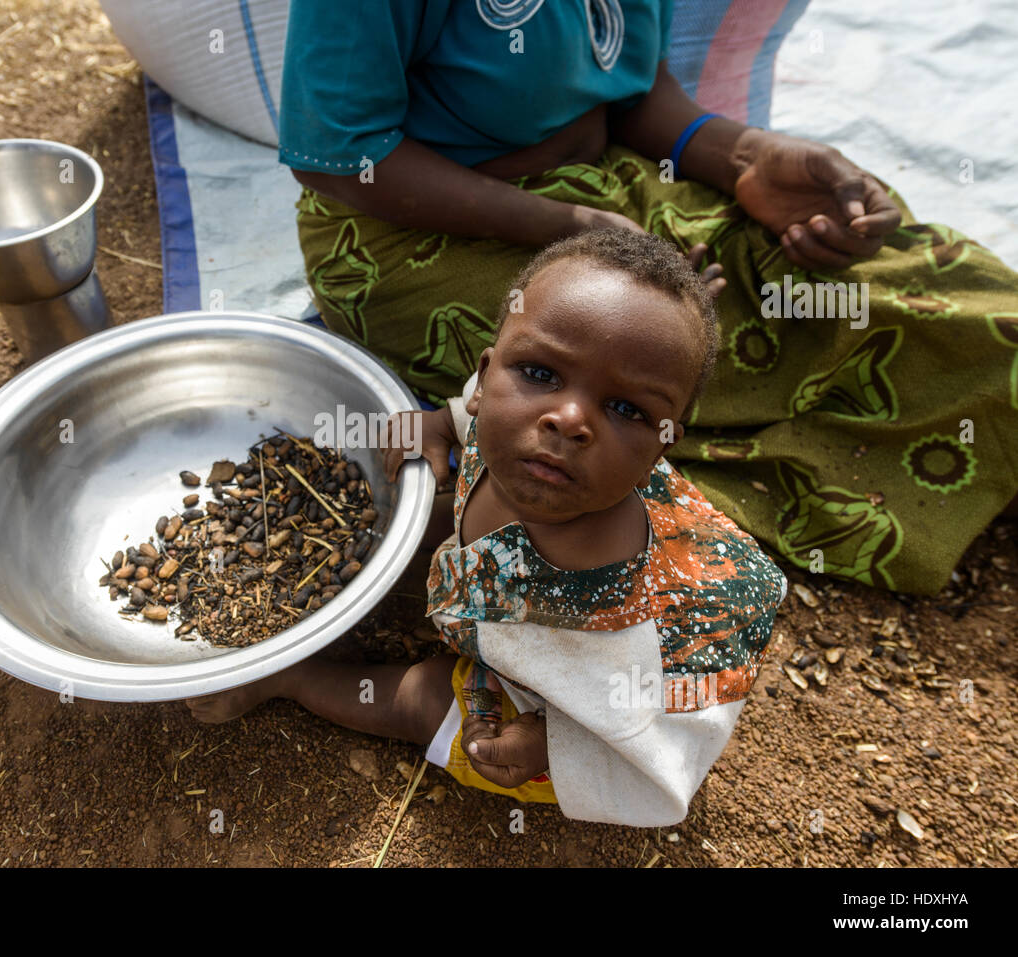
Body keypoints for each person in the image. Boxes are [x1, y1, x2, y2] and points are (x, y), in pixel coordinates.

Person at [278, 0, 1018, 595]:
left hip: (608, 191)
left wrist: (747, 159)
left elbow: (633, 95)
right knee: (664, 361)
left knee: (927, 298)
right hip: (409, 236)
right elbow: (345, 158)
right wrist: (575, 232)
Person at [187, 229, 786, 825]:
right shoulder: (495, 417)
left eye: (627, 410)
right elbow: (470, 407)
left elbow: (662, 728)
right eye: (541, 374)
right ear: (487, 375)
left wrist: (551, 740)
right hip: (496, 597)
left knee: (425, 703)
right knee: (422, 511)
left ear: (661, 447)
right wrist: (437, 426)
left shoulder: (629, 621)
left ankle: (293, 677)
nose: (569, 418)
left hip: (557, 697)